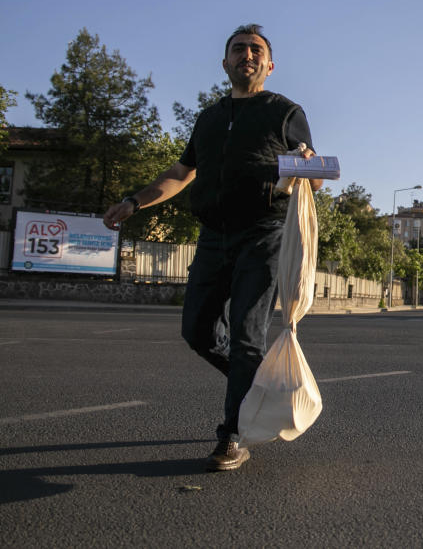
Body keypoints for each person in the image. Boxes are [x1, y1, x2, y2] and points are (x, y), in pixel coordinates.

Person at [103, 24, 322, 472]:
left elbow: (315, 175)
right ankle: (259, 386)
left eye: (256, 49)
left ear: (269, 65)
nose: (247, 54)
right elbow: (183, 172)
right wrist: (133, 201)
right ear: (224, 63)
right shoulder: (208, 117)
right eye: (238, 49)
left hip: (263, 233)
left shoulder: (284, 111)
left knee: (246, 337)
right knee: (198, 332)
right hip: (213, 235)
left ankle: (232, 435)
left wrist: (306, 165)